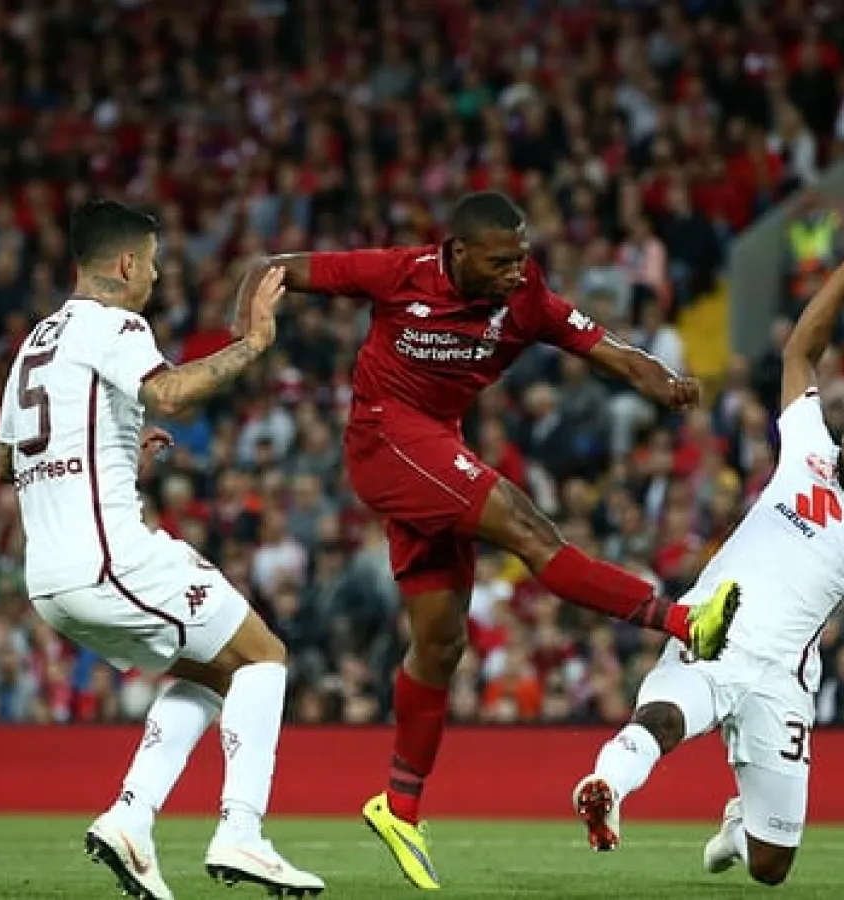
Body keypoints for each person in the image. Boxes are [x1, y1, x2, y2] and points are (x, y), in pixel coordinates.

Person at [234, 191, 740, 890]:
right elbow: (277, 267)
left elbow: (605, 347)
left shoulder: (525, 297)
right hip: (384, 435)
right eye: (501, 261)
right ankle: (683, 620)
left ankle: (400, 806)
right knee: (531, 530)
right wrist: (247, 337)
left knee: (441, 642)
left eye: (522, 257)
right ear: (458, 252)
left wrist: (661, 378)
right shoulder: (398, 272)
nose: (516, 272)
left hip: (436, 446)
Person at [569, 222, 844, 886]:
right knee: (663, 718)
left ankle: (738, 825)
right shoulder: (808, 451)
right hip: (711, 630)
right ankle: (607, 789)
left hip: (783, 680)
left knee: (771, 868)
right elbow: (799, 353)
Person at [0, 199, 323, 900]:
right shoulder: (114, 324)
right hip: (111, 557)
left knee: (209, 671)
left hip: (49, 580)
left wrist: (110, 438)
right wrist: (255, 342)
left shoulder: (35, 344)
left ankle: (131, 819)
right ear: (125, 263)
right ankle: (243, 830)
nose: (158, 272)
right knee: (263, 656)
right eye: (153, 260)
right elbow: (172, 392)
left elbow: (5, 463)